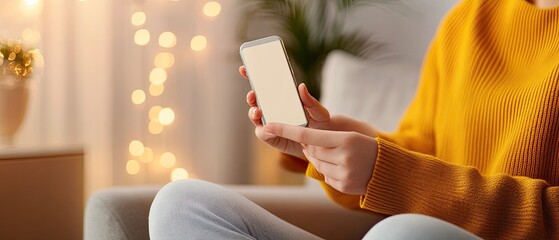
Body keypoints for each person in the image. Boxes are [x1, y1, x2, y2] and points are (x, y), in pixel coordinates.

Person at [149, 0, 559, 239]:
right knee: (181, 204)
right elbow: (423, 150)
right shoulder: (468, 19)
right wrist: (335, 145)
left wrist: (391, 174)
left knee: (401, 235)